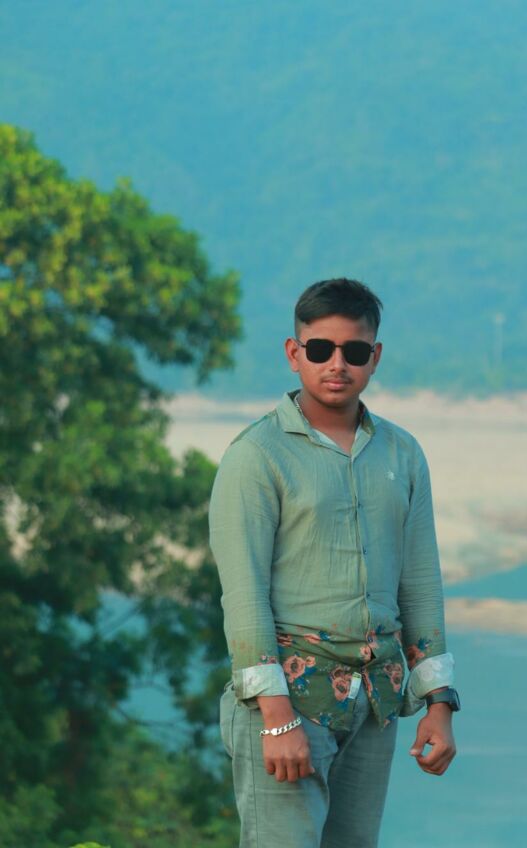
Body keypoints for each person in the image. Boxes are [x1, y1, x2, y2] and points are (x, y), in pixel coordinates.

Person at [209, 278, 459, 848]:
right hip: (289, 705)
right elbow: (244, 595)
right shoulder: (256, 456)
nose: (337, 364)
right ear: (294, 353)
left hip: (375, 703)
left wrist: (439, 702)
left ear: (375, 356)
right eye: (320, 349)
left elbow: (420, 583)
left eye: (354, 351)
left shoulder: (401, 453)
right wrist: (277, 718)